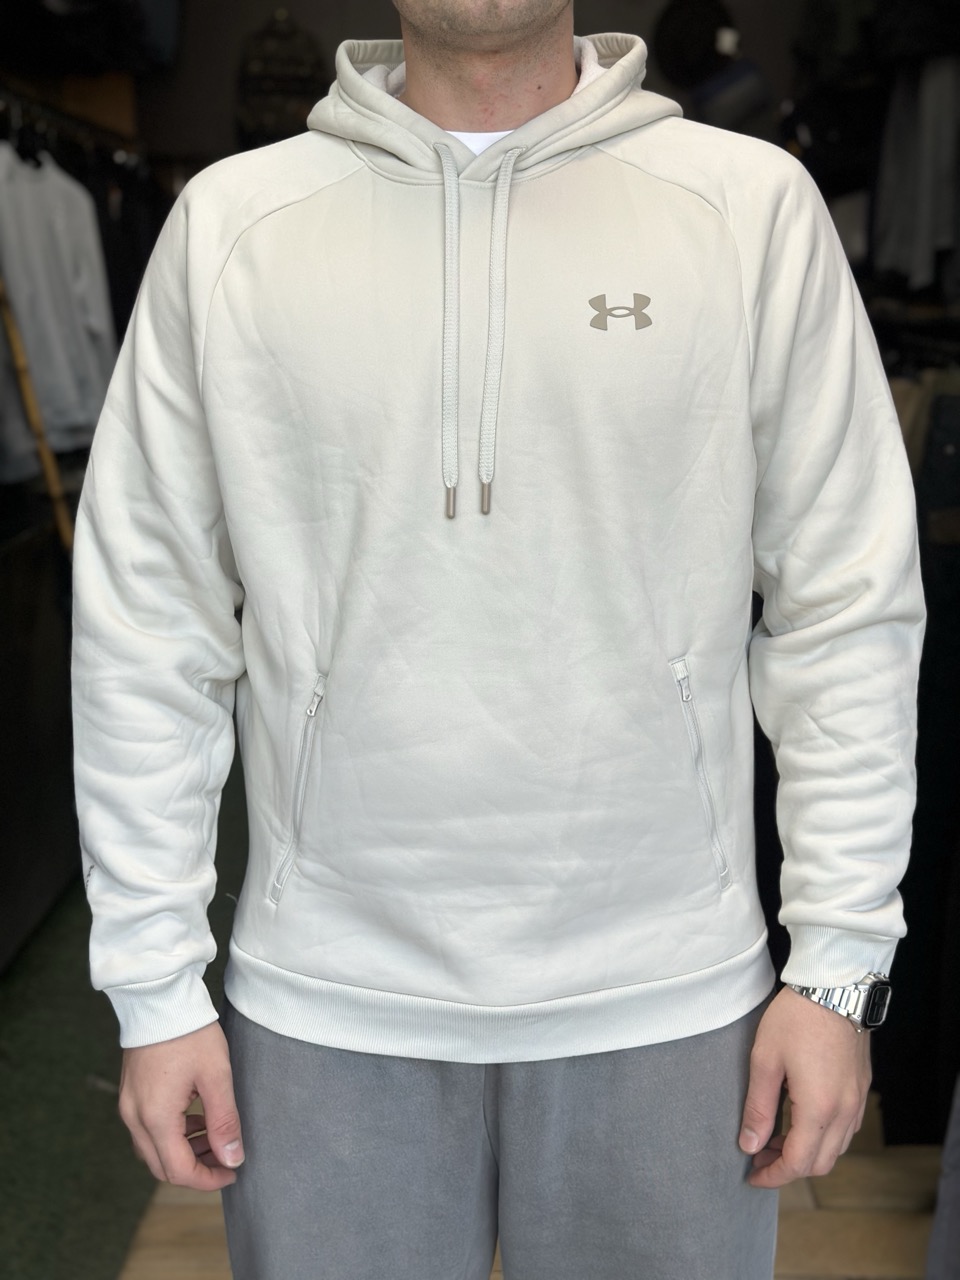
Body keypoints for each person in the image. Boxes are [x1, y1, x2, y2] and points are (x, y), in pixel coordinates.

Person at [71, 3, 926, 1277]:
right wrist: (154, 983)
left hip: (670, 992)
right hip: (325, 998)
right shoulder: (233, 225)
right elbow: (149, 622)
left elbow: (845, 603)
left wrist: (840, 965)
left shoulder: (747, 208)